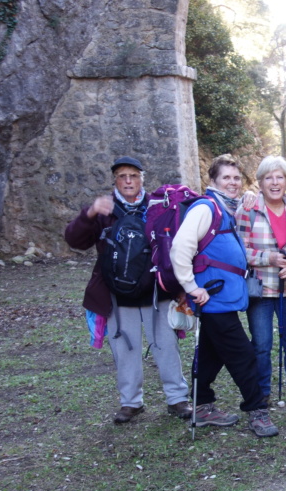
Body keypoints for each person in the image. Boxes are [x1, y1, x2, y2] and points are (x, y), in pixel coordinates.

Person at [64, 156, 191, 423]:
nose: (128, 181)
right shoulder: (104, 210)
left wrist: (179, 286)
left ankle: (177, 399)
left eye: (133, 175)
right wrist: (89, 213)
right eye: (122, 176)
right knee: (125, 349)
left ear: (143, 178)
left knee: (166, 345)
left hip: (157, 292)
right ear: (115, 181)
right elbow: (75, 240)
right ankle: (131, 402)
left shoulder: (158, 206)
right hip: (117, 294)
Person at [169, 162, 278, 437]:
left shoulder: (224, 208)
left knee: (211, 353)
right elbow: (180, 247)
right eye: (226, 177)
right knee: (243, 356)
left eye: (237, 178)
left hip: (221, 298)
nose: (233, 182)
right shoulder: (206, 208)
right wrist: (191, 286)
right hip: (212, 298)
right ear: (213, 181)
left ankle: (202, 404)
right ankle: (257, 410)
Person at [236, 156, 286, 413]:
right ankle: (262, 393)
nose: (275, 182)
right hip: (260, 289)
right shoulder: (247, 210)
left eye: (280, 177)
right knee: (261, 344)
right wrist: (267, 258)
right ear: (259, 182)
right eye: (269, 177)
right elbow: (239, 251)